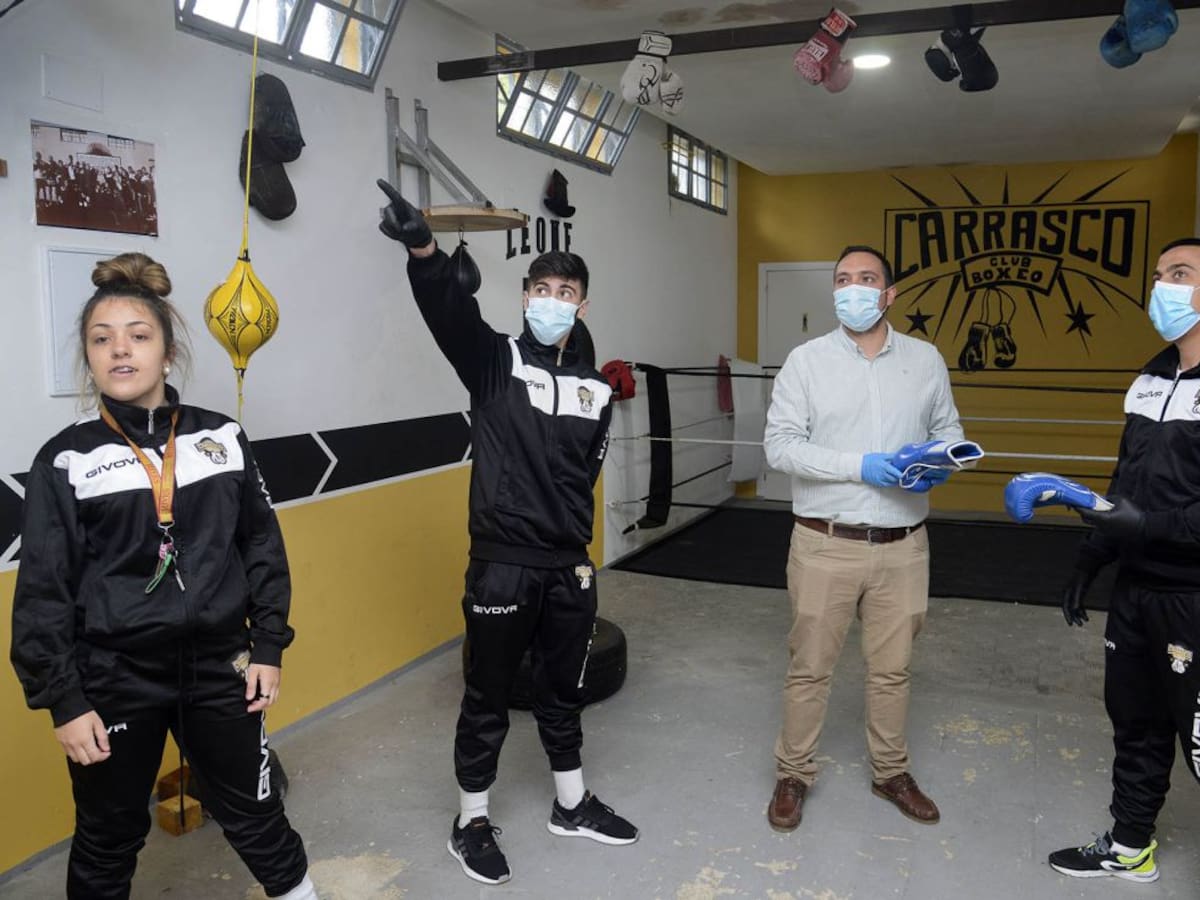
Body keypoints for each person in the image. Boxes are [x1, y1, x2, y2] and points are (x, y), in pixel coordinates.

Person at [10, 253, 317, 900]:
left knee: (257, 815)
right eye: (101, 339)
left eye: (138, 335)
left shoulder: (222, 438)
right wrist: (64, 700)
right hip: (114, 679)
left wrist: (267, 646)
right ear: (89, 358)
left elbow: (262, 546)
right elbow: (43, 591)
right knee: (107, 837)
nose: (119, 349)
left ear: (168, 353)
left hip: (220, 667)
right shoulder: (65, 460)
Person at [375, 179, 638, 886]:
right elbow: (449, 313)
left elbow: (583, 475)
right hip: (502, 566)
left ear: (583, 305)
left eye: (565, 292)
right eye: (541, 289)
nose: (553, 300)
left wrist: (571, 549)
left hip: (568, 568)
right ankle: (471, 821)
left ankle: (571, 805)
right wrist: (424, 251)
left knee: (563, 692)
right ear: (525, 297)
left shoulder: (597, 391)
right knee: (488, 696)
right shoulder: (496, 364)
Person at [762, 245, 966, 831]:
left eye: (867, 278)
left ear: (889, 294)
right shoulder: (806, 362)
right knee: (810, 668)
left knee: (893, 670)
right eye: (843, 279)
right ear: (834, 292)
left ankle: (890, 773)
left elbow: (948, 429)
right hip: (825, 542)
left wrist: (942, 461)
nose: (853, 288)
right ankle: (794, 774)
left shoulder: (925, 360)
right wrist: (861, 466)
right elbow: (780, 448)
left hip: (904, 547)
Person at [1048, 237, 1200, 884]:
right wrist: (1093, 558)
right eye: (1161, 274)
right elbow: (1125, 484)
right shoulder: (1149, 379)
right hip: (1136, 592)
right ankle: (1130, 845)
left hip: (1193, 596)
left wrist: (1151, 526)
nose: (1163, 286)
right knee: (1136, 724)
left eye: (1181, 273)